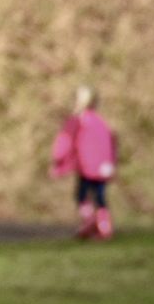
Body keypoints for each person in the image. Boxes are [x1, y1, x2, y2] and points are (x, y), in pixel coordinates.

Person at [50, 85, 117, 240]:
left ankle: (90, 222)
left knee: (82, 195)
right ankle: (104, 226)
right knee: (99, 195)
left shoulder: (77, 121)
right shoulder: (100, 122)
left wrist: (59, 162)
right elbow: (112, 141)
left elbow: (66, 142)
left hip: (87, 165)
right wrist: (111, 163)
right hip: (102, 166)